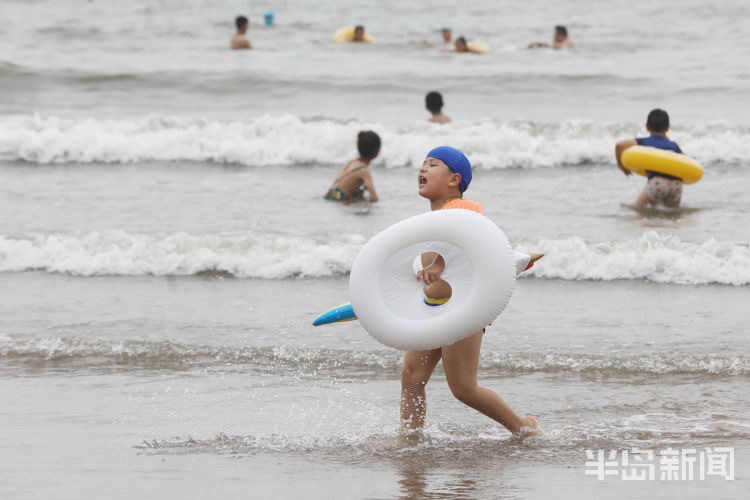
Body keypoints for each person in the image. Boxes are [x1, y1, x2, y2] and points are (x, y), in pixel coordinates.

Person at [400, 146, 538, 440]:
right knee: (412, 376)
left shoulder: (460, 209)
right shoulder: (432, 218)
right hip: (435, 305)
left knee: (463, 388)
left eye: (433, 164)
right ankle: (409, 438)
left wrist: (438, 262)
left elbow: (467, 235)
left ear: (454, 180)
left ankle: (521, 425)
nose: (422, 169)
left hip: (466, 306)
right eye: (422, 164)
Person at [615, 109, 684, 209]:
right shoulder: (673, 145)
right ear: (668, 128)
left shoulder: (645, 142)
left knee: (636, 210)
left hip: (657, 183)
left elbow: (619, 145)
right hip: (677, 184)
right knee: (672, 216)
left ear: (647, 127)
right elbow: (683, 159)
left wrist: (621, 166)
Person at [325, 131, 380, 202]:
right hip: (340, 198)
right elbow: (374, 198)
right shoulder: (364, 170)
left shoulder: (350, 163)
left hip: (330, 194)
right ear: (377, 151)